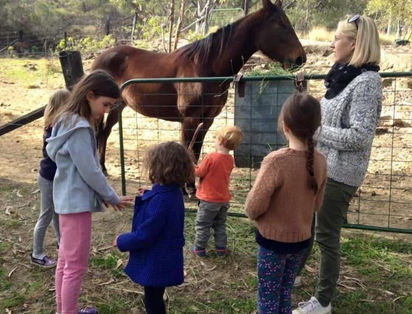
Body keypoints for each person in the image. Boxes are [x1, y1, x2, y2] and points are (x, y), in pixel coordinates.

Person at [293, 14, 382, 314]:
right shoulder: (343, 74)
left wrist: (315, 131)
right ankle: (292, 274)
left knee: (326, 235)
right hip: (323, 165)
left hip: (342, 172)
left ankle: (323, 300)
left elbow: (360, 136)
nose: (332, 43)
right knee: (309, 224)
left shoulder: (367, 82)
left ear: (353, 44)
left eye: (337, 38)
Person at [46, 70, 133, 314]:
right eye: (105, 104)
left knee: (65, 261)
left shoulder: (65, 120)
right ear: (89, 95)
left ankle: (64, 310)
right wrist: (111, 195)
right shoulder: (81, 128)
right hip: (75, 204)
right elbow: (90, 171)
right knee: (75, 266)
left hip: (65, 200)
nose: (106, 111)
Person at [245, 93, 327, 314]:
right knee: (284, 292)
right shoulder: (320, 160)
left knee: (268, 296)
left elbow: (253, 207)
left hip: (273, 243)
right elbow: (317, 204)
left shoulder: (276, 161)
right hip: (301, 241)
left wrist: (261, 217)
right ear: (316, 126)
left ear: (285, 125)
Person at [114, 141, 194, 314]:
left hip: (157, 259)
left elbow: (145, 234)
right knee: (154, 294)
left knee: (153, 298)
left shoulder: (161, 201)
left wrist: (122, 241)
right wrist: (149, 194)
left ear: (160, 169)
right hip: (165, 255)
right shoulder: (173, 193)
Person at [30, 89, 70, 268]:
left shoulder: (56, 125)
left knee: (57, 212)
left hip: (55, 177)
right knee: (46, 214)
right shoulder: (54, 127)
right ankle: (36, 254)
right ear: (62, 105)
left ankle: (62, 243)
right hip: (48, 177)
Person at [189, 125, 243, 257]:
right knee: (220, 225)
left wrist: (190, 165)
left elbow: (199, 172)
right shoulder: (230, 160)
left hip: (208, 200)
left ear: (219, 140)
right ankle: (221, 249)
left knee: (203, 225)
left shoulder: (211, 157)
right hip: (223, 199)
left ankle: (199, 249)